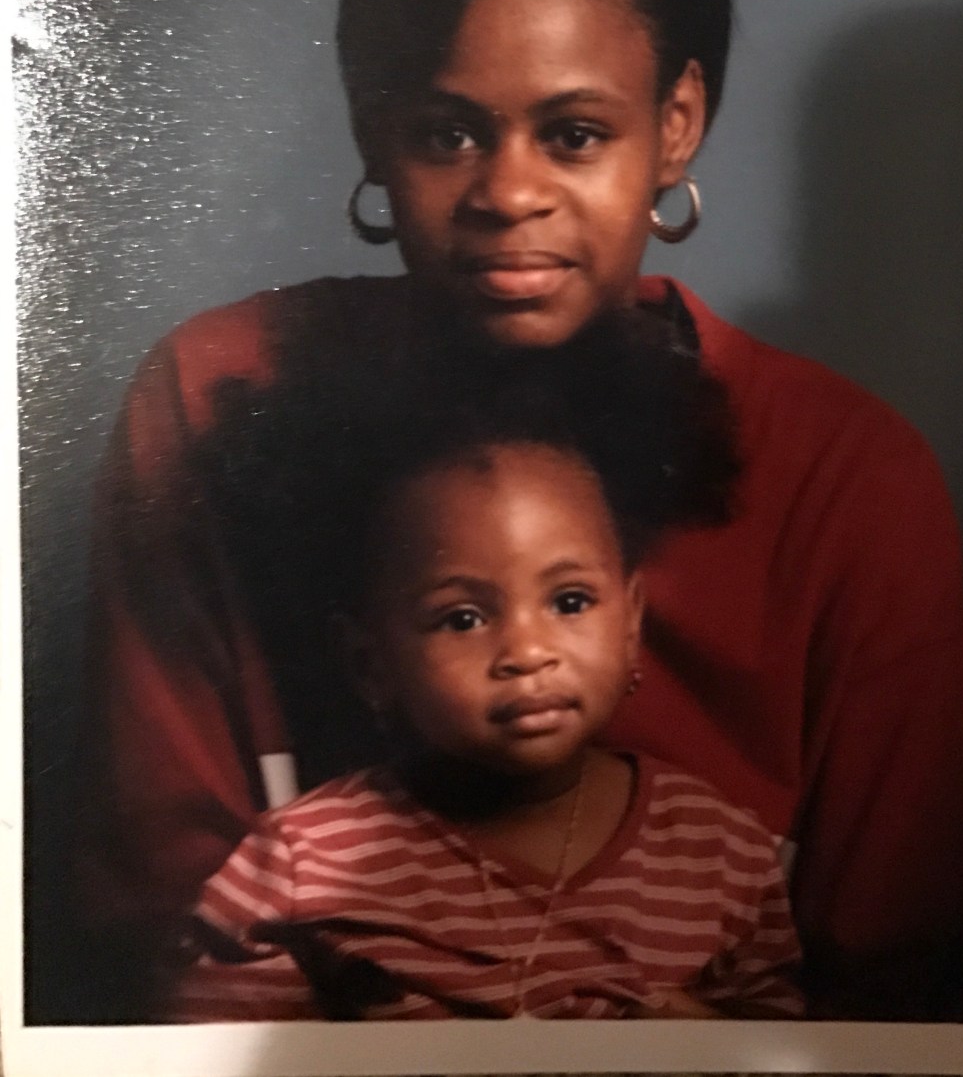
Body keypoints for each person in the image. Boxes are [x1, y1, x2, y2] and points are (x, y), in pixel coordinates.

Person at [80, 0, 963, 1021]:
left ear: (675, 123)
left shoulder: (846, 473)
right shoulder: (211, 398)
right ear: (371, 131)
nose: (508, 194)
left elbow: (896, 987)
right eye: (446, 134)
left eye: (574, 134)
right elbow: (157, 924)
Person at [170, 397, 803, 1022]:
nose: (527, 653)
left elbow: (786, 1047)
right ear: (371, 664)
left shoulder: (718, 850)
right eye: (463, 618)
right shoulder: (297, 865)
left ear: (632, 622)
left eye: (571, 602)